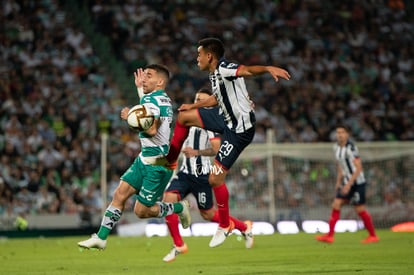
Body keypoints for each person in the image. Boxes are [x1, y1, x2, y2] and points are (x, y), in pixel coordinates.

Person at [164, 37, 290, 247]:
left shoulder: (224, 67)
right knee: (184, 117)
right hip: (224, 117)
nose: (197, 58)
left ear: (209, 56)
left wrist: (267, 68)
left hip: (238, 131)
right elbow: (217, 98)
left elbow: (247, 70)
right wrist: (194, 106)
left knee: (215, 179)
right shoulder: (214, 75)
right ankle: (170, 160)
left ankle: (225, 225)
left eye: (199, 54)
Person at [78, 64, 191, 250]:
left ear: (160, 82)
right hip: (145, 159)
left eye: (149, 76)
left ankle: (179, 208)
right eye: (144, 75)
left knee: (141, 211)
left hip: (157, 165)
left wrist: (130, 116)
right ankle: (101, 237)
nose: (144, 79)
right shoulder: (159, 98)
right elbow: (147, 107)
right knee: (119, 194)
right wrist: (139, 89)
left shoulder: (153, 101)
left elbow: (152, 129)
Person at [162, 88, 253, 262]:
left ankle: (244, 226)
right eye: (197, 99)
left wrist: (196, 152)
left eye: (203, 100)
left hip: (202, 176)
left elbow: (216, 149)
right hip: (184, 174)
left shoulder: (209, 125)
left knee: (208, 214)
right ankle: (179, 244)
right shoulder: (187, 120)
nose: (199, 103)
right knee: (168, 200)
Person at [315, 125, 379, 244]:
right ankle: (330, 236)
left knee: (359, 209)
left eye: (342, 132)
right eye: (338, 132)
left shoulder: (351, 147)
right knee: (336, 204)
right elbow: (340, 166)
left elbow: (359, 167)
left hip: (357, 183)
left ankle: (373, 235)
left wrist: (349, 184)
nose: (339, 135)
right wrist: (338, 182)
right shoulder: (336, 148)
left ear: (347, 134)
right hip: (346, 182)